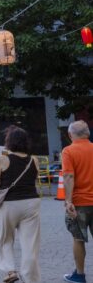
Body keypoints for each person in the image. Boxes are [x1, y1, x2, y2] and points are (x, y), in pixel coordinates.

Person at [0, 125, 41, 283]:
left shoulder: (2, 159)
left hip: (10, 204)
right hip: (31, 203)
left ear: (9, 142)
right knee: (30, 244)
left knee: (5, 238)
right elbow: (35, 178)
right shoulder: (34, 159)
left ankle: (10, 270)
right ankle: (31, 278)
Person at [62, 121, 93, 283]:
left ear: (70, 135)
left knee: (78, 239)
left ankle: (79, 275)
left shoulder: (69, 151)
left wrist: (68, 201)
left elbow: (68, 176)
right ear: (87, 133)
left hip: (79, 203)